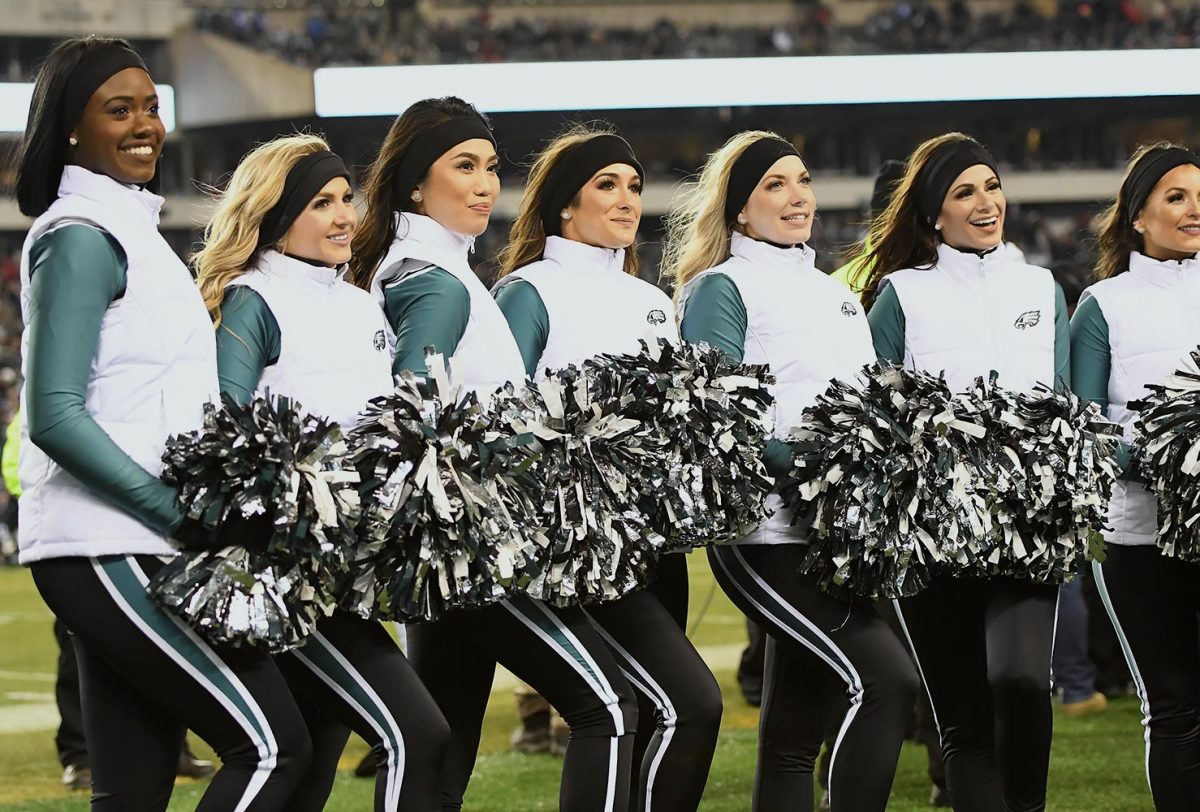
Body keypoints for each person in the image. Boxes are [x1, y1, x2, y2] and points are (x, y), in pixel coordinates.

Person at [16, 35, 311, 809]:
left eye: (151, 105)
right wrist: (173, 512)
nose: (145, 123)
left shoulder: (134, 232)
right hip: (107, 541)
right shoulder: (83, 236)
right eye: (119, 109)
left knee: (133, 792)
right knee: (275, 747)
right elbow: (52, 415)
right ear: (70, 128)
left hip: (133, 540)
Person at [348, 96, 638, 812]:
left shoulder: (433, 268)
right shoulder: (437, 280)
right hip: (470, 547)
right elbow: (412, 412)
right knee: (609, 706)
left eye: (490, 168)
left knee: (440, 749)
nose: (484, 184)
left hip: (451, 548)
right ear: (416, 183)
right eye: (463, 166)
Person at [192, 132, 450, 811]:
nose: (344, 216)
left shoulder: (362, 303)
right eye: (320, 203)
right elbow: (222, 431)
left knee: (310, 767)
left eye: (346, 198)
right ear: (275, 213)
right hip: (285, 571)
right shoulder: (252, 300)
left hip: (349, 573)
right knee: (416, 734)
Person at [664, 129, 919, 812]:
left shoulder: (830, 291)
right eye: (774, 184)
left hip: (836, 536)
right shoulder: (720, 288)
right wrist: (824, 456)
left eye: (802, 180)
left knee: (793, 738)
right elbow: (717, 422)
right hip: (766, 536)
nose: (796, 195)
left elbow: (868, 404)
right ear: (740, 210)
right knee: (885, 682)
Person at [493, 124, 722, 811]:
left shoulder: (652, 301)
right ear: (565, 203)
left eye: (633, 186)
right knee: (686, 703)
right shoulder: (527, 291)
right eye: (606, 185)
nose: (627, 200)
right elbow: (505, 422)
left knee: (649, 718)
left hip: (658, 547)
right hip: (582, 550)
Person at [858, 132, 1070, 812]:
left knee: (1021, 681)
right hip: (932, 534)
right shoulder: (898, 295)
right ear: (932, 215)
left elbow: (1064, 399)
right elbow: (876, 408)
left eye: (991, 185)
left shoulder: (1041, 286)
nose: (986, 202)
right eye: (964, 192)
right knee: (961, 719)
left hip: (1029, 526)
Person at [1074, 143, 1200, 812]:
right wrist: (1177, 458)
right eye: (1176, 197)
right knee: (1174, 706)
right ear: (1137, 218)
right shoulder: (1102, 306)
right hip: (1141, 536)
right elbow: (1087, 430)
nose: (1194, 209)